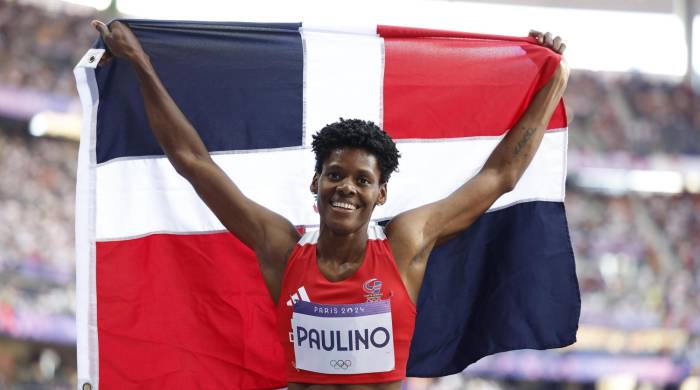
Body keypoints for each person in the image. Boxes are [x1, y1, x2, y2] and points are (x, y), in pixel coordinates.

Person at [91, 19, 568, 390]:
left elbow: (499, 175)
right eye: (335, 175)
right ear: (315, 182)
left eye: (363, 180)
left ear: (380, 194)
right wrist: (140, 65)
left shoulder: (406, 243)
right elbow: (192, 161)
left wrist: (556, 79)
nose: (346, 188)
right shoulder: (281, 248)